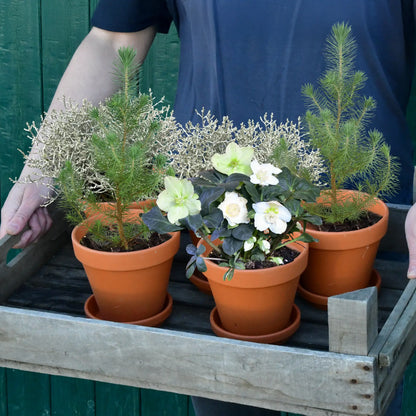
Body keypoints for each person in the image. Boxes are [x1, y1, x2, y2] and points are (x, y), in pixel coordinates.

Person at [0, 1, 414, 414]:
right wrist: (42, 168)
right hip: (215, 225)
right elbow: (113, 39)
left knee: (358, 387)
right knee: (227, 394)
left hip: (356, 228)